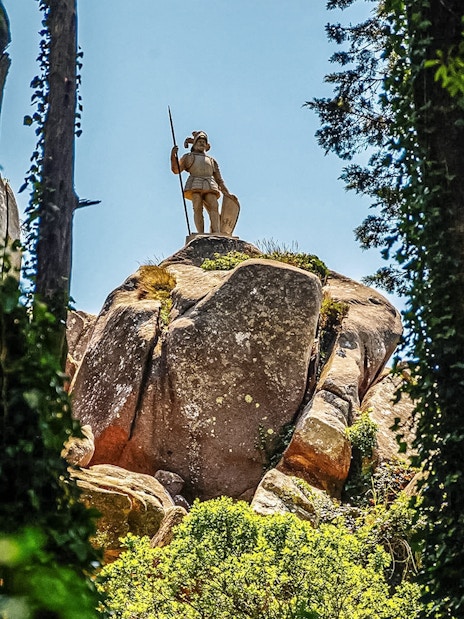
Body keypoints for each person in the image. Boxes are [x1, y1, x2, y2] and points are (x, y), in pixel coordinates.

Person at [171, 131, 236, 234]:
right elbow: (176, 170)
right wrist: (173, 156)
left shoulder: (211, 160)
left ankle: (216, 232)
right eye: (199, 141)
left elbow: (219, 180)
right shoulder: (189, 157)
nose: (201, 143)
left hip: (210, 184)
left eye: (203, 142)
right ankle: (200, 232)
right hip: (195, 183)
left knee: (214, 206)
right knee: (197, 207)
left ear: (206, 145)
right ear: (195, 143)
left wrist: (226, 193)